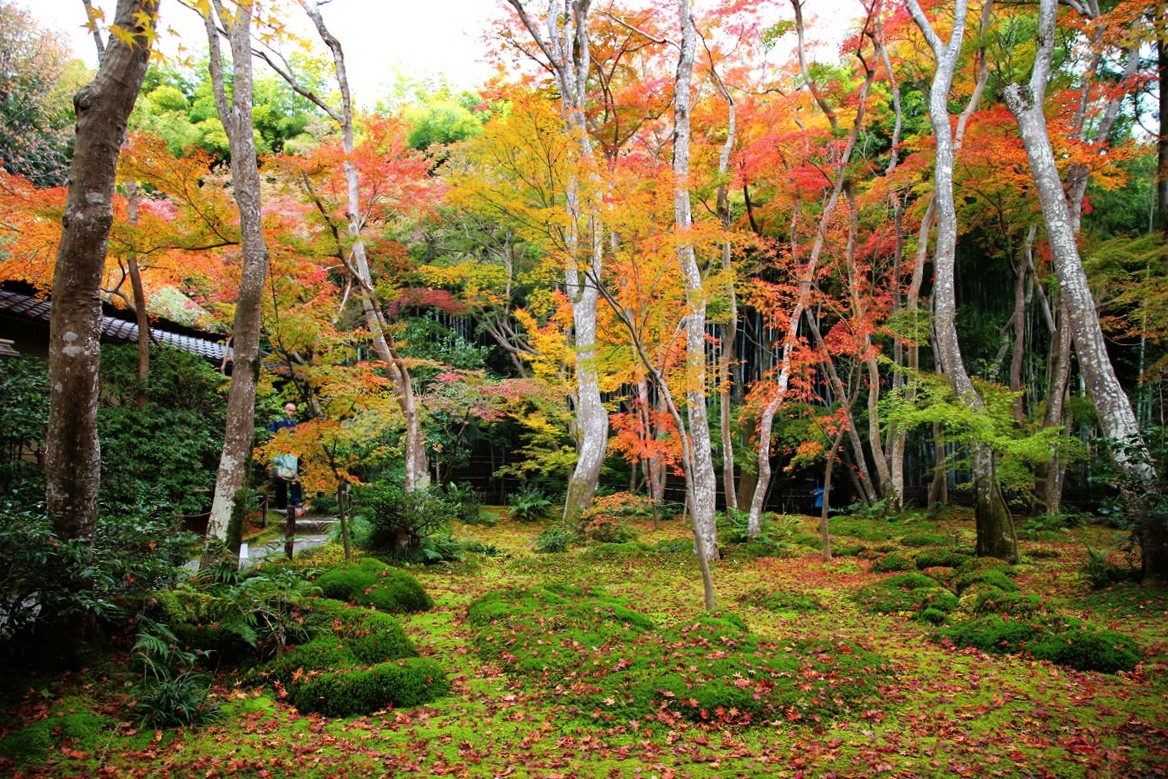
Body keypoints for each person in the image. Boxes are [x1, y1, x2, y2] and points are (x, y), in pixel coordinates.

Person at [269, 402, 302, 510]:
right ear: (284, 410)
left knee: (294, 475)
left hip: (291, 453)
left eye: (293, 411)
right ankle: (281, 503)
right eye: (289, 410)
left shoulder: (293, 423)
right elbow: (271, 435)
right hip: (279, 453)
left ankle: (295, 500)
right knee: (280, 476)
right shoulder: (277, 420)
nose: (291, 412)